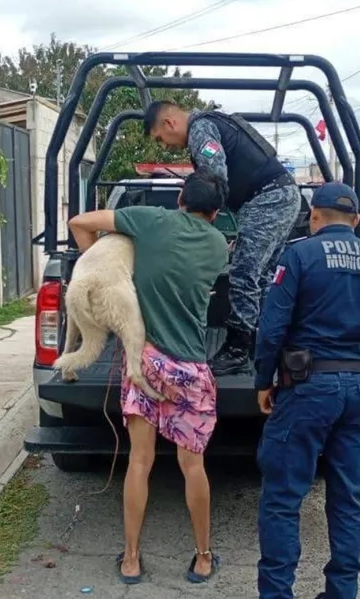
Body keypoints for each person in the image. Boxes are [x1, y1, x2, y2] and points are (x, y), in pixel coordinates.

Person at [67, 172, 230, 586]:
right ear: (215, 212)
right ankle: (204, 558)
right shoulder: (216, 245)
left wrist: (101, 271)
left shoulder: (147, 220)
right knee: (192, 466)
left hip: (146, 362)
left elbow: (81, 222)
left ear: (179, 198)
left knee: (139, 462)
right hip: (190, 369)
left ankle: (132, 560)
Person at [250, 182, 360, 599]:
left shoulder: (298, 256)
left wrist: (263, 381)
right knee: (347, 499)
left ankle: (277, 593)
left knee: (283, 498)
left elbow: (271, 330)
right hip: (358, 390)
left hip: (306, 389)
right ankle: (342, 592)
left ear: (314, 216)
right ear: (356, 220)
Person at [145, 100, 301, 377]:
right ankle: (264, 343)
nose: (164, 146)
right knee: (262, 277)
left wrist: (194, 225)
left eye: (160, 138)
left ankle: (238, 350)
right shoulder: (210, 122)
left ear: (169, 123)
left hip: (268, 199)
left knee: (244, 273)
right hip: (280, 196)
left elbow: (213, 178)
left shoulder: (200, 129)